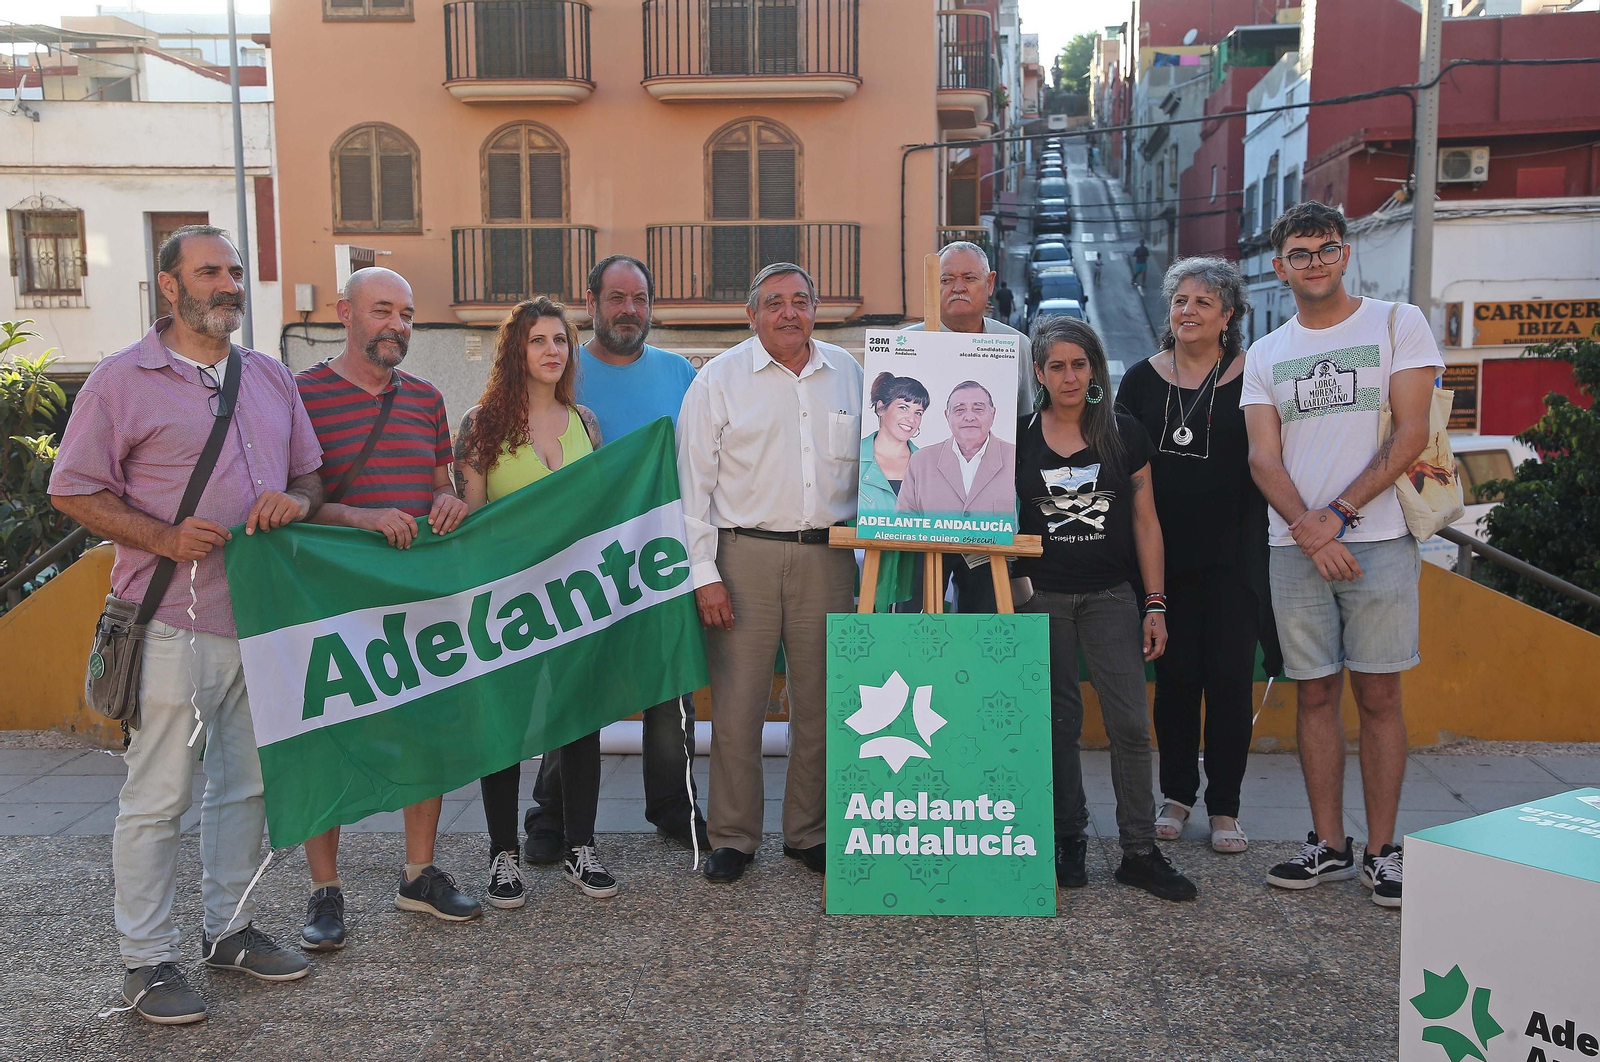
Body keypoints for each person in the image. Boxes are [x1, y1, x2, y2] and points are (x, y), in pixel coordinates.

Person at [49, 225, 322, 1024]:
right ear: (170, 287)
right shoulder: (120, 379)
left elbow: (308, 474)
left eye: (235, 269)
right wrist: (165, 536)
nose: (229, 283)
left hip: (261, 622)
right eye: (211, 272)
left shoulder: (269, 376)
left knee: (250, 785)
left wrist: (295, 501)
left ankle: (229, 931)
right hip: (168, 619)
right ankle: (146, 960)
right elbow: (72, 489)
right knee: (159, 796)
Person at [1241, 201, 1443, 908]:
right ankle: (1329, 844)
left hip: (1380, 541)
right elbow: (1262, 457)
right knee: (1315, 692)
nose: (1315, 262)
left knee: (1381, 695)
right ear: (1279, 267)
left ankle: (1383, 851)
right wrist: (1308, 529)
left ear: (1345, 253)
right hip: (1295, 548)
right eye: (1300, 253)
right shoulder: (1265, 354)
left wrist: (1340, 515)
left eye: (1326, 248)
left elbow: (1411, 432)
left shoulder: (1397, 324)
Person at [292, 267, 480, 949]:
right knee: (328, 737)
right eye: (382, 311)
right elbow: (295, 500)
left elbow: (440, 485)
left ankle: (419, 874)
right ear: (345, 313)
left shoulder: (428, 399)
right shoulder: (301, 394)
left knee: (425, 729)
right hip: (330, 597)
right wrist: (363, 518)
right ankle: (324, 890)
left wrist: (450, 500)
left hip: (414, 597)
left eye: (405, 314)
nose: (397, 325)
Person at [519, 254, 709, 866]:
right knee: (573, 693)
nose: (630, 310)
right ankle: (553, 817)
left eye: (640, 299)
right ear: (592, 302)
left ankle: (674, 808)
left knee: (668, 689)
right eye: (617, 298)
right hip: (582, 565)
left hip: (662, 558)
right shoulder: (564, 374)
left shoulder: (681, 373)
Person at [677, 263, 862, 883]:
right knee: (737, 704)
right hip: (743, 556)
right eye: (774, 303)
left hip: (829, 557)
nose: (789, 312)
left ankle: (810, 833)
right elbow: (692, 486)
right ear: (751, 314)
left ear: (817, 308)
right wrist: (703, 573)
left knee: (823, 702)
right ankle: (733, 835)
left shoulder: (850, 374)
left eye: (801, 301)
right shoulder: (719, 381)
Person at [1015, 314, 1196, 902]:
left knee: (1128, 725)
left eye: (1079, 364)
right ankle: (1067, 838)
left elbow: (1147, 522)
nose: (1069, 377)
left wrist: (1155, 604)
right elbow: (993, 523)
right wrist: (1016, 593)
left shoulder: (1125, 434)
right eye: (1057, 366)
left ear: (1094, 369)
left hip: (1113, 598)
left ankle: (1139, 851)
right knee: (1058, 724)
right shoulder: (1017, 438)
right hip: (1042, 597)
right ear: (1039, 373)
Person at [1115, 256, 1281, 856]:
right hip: (1162, 557)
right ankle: (1177, 796)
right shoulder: (1139, 380)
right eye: (1180, 300)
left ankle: (1226, 808)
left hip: (1237, 557)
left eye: (1203, 303)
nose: (1188, 311)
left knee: (1231, 681)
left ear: (1228, 315)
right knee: (1176, 680)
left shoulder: (1253, 374)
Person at [454, 297, 616, 905]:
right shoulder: (481, 425)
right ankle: (502, 855)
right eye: (537, 341)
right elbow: (468, 521)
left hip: (576, 598)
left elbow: (601, 510)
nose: (552, 351)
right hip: (509, 602)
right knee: (505, 727)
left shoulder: (587, 423)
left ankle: (581, 846)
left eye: (560, 341)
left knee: (580, 721)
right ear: (514, 352)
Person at [904, 241, 1032, 612]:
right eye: (946, 279)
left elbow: (1025, 427)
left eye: (969, 278)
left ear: (989, 283)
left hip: (991, 523)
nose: (957, 287)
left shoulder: (1016, 345)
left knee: (986, 625)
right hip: (920, 526)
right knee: (916, 627)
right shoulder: (907, 344)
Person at [897, 381, 1016, 518]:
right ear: (947, 416)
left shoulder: (1015, 458)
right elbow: (903, 523)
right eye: (959, 410)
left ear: (993, 414)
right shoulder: (921, 461)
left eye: (978, 409)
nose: (970, 417)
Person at [859, 372, 929, 515]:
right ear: (881, 408)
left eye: (918, 413)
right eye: (903, 407)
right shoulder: (852, 456)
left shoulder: (929, 465)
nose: (911, 419)